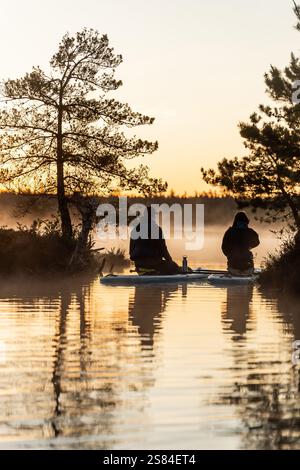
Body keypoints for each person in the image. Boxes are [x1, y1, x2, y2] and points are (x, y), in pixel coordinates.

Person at [130, 207, 181, 275]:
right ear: (152, 216)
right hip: (153, 264)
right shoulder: (156, 229)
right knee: (174, 267)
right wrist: (170, 262)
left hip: (138, 264)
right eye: (154, 215)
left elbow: (131, 251)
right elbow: (163, 249)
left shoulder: (135, 229)